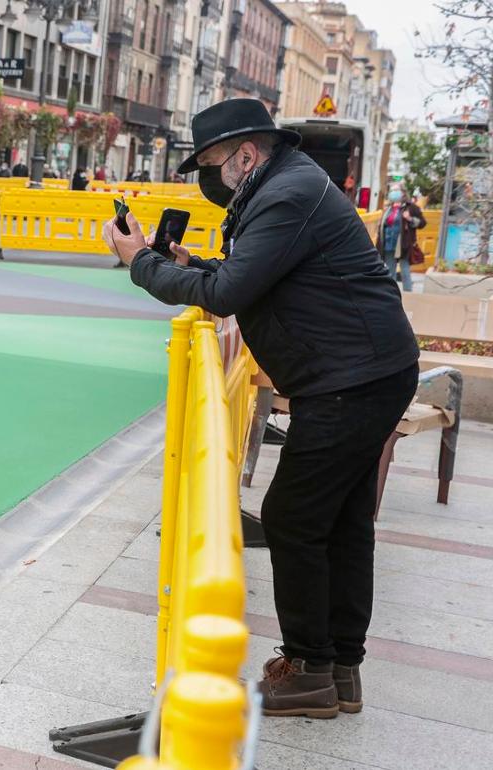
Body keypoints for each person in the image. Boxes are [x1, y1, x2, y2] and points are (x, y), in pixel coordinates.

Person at [102, 99, 419, 720]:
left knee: (293, 518)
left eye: (213, 163)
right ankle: (338, 669)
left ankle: (307, 670)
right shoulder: (286, 187)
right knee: (342, 521)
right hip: (364, 372)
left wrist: (139, 262)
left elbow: (228, 296)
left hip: (351, 379)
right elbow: (254, 277)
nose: (210, 177)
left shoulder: (286, 195)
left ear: (246, 155)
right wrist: (191, 264)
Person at [376, 186, 425, 293]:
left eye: (396, 190)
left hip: (403, 244)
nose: (393, 192)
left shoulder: (411, 207)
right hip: (388, 243)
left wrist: (410, 219)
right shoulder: (388, 208)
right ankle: (390, 293)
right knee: (389, 270)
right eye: (392, 190)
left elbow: (422, 223)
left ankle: (408, 293)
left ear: (403, 193)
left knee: (405, 270)